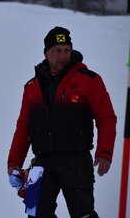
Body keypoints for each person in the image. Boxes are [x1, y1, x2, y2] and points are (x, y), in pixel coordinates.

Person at [7, 26, 117, 218]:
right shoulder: (32, 86)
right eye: (57, 50)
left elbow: (106, 117)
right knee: (37, 213)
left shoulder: (89, 80)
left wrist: (104, 151)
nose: (63, 55)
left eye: (67, 50)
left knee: (83, 214)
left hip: (76, 161)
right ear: (46, 53)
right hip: (42, 163)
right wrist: (14, 162)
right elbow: (23, 127)